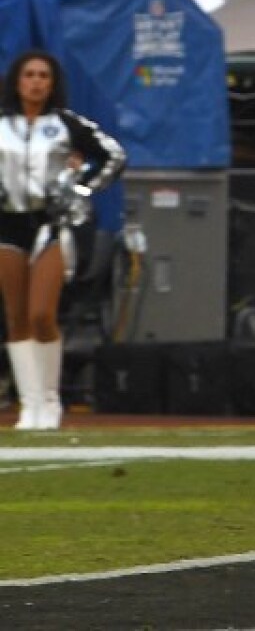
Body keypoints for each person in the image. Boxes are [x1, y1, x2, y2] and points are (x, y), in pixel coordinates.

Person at [1, 51, 126, 431]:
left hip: (51, 223)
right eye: (29, 75)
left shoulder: (66, 124)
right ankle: (30, 405)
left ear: (53, 83)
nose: (36, 82)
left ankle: (51, 399)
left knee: (42, 314)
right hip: (6, 224)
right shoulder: (1, 124)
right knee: (16, 316)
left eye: (44, 75)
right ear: (17, 81)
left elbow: (114, 156)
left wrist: (83, 185)